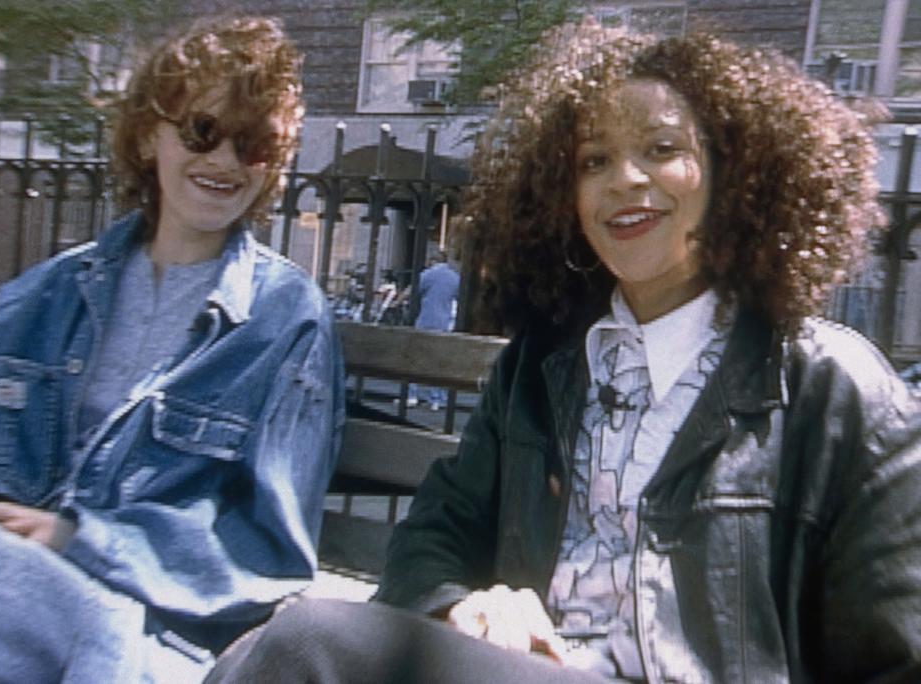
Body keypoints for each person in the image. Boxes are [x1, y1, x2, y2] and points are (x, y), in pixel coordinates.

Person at [205, 20, 921, 684]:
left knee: (301, 645)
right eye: (594, 160)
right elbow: (435, 533)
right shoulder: (543, 367)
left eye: (662, 149)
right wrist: (464, 607)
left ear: (736, 173)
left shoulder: (836, 392)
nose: (624, 178)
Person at [0, 16, 344, 684]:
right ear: (147, 136)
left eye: (252, 142)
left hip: (139, 629)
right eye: (202, 130)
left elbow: (267, 550)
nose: (224, 159)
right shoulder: (42, 296)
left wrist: (82, 543)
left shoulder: (286, 321)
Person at [409, 251, 460, 410]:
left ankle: (411, 395)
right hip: (445, 323)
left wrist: (396, 301)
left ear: (432, 261)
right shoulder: (455, 277)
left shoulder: (429, 274)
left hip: (426, 320)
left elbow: (413, 290)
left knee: (415, 360)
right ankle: (437, 399)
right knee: (440, 363)